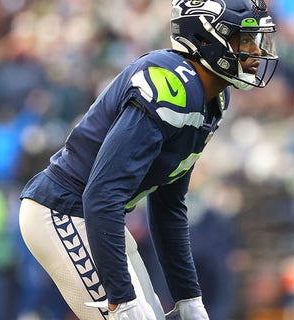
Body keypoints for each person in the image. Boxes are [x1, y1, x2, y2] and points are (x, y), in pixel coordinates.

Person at [18, 0, 279, 319]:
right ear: (207, 39)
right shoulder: (170, 85)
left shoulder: (211, 99)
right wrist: (122, 300)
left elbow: (168, 205)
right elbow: (100, 195)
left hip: (96, 217)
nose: (255, 50)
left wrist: (188, 297)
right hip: (62, 211)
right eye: (245, 38)